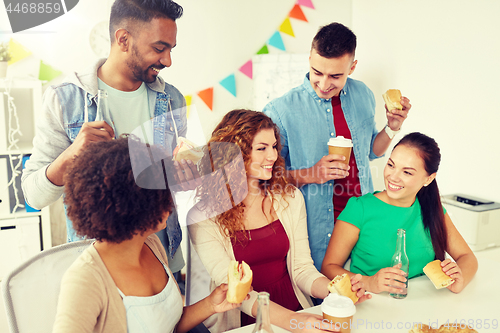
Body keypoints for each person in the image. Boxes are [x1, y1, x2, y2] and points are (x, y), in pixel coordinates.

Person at [20, 0, 195, 274]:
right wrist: (72, 155)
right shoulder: (65, 100)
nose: (167, 61)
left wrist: (186, 176)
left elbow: (171, 189)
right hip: (99, 270)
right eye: (159, 48)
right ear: (123, 39)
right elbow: (32, 195)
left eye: (170, 49)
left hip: (162, 265)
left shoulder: (171, 100)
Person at [187, 110, 369, 333]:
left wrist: (335, 292)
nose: (273, 156)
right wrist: (293, 322)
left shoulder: (290, 198)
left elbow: (303, 269)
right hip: (244, 319)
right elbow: (234, 289)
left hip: (296, 308)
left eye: (274, 146)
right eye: (261, 148)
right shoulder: (202, 216)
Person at [53, 136, 244, 333]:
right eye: (163, 194)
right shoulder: (85, 279)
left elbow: (170, 326)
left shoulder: (151, 245)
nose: (170, 204)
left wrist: (211, 304)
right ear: (133, 204)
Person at [263, 22, 412, 271]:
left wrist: (392, 127)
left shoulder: (364, 94)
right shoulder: (281, 110)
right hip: (314, 230)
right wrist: (311, 174)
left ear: (352, 67)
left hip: (364, 223)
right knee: (322, 304)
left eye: (335, 76)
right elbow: (264, 177)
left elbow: (370, 152)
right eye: (316, 72)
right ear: (309, 58)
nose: (323, 84)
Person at [321, 132, 478, 294]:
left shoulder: (432, 210)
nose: (393, 177)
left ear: (428, 179)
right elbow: (328, 267)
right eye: (391, 165)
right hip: (370, 305)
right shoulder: (360, 208)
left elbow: (467, 257)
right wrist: (369, 282)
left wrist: (460, 280)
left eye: (407, 172)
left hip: (422, 306)